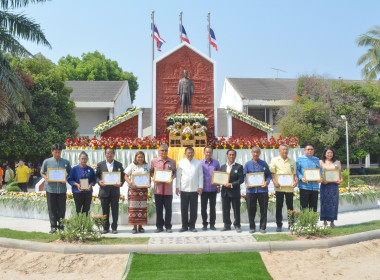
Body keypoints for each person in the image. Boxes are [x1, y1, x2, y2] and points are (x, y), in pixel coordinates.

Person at [40, 143, 71, 234]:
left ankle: (61, 226)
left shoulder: (65, 162)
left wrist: (66, 179)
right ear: (52, 152)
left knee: (62, 208)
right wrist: (45, 177)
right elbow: (42, 172)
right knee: (52, 208)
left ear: (61, 152)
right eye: (55, 152)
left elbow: (70, 173)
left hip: (61, 189)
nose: (57, 154)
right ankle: (53, 227)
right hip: (50, 189)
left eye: (59, 152)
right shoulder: (47, 161)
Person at [95, 147, 125, 234]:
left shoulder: (119, 164)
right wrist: (99, 181)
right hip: (104, 191)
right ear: (105, 154)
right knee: (105, 210)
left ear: (114, 154)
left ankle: (114, 227)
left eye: (111, 153)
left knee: (115, 210)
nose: (109, 155)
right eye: (107, 153)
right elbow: (96, 176)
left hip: (115, 191)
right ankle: (105, 227)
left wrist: (120, 183)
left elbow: (123, 176)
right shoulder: (100, 165)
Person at [270, 144, 298, 232]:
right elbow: (272, 173)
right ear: (279, 151)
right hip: (279, 188)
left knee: (290, 206)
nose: (285, 151)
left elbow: (294, 174)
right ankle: (279, 225)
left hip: (289, 188)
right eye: (283, 149)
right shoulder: (274, 160)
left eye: (286, 149)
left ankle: (291, 224)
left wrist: (296, 181)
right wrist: (274, 182)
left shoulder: (292, 161)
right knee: (279, 206)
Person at [244, 147, 271, 234]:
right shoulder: (247, 164)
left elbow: (268, 175)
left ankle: (263, 227)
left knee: (263, 209)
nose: (256, 154)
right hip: (251, 191)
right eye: (254, 152)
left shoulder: (264, 164)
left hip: (262, 190)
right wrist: (246, 183)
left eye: (257, 152)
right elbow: (245, 175)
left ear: (260, 153)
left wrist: (266, 182)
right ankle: (252, 227)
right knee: (251, 209)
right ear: (251, 153)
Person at [150, 144, 177, 233]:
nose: (164, 152)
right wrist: (153, 177)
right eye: (162, 150)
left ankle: (168, 226)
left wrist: (171, 178)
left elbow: (175, 173)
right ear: (159, 151)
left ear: (168, 151)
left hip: (168, 190)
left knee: (168, 209)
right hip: (158, 190)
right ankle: (159, 226)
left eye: (165, 150)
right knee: (159, 209)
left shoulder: (172, 162)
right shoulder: (154, 161)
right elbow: (151, 172)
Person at [176, 147, 203, 232]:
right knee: (184, 209)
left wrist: (200, 187)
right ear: (185, 153)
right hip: (184, 189)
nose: (190, 154)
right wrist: (177, 187)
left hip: (194, 189)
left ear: (194, 153)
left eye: (191, 152)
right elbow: (178, 176)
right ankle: (184, 226)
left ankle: (192, 226)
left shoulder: (198, 163)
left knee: (193, 209)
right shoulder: (180, 163)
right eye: (188, 153)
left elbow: (200, 176)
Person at [124, 151, 150, 234]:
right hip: (134, 191)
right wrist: (130, 183)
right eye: (138, 157)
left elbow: (148, 176)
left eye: (142, 157)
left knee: (142, 208)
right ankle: (134, 227)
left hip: (143, 191)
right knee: (134, 209)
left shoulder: (146, 166)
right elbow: (125, 176)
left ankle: (141, 226)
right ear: (135, 157)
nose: (140, 158)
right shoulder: (132, 165)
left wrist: (149, 183)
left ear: (144, 158)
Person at [220, 149, 244, 232]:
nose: (231, 156)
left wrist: (231, 184)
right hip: (224, 192)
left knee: (236, 209)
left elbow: (241, 180)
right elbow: (220, 178)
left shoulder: (239, 167)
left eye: (233, 155)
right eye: (230, 154)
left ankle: (237, 225)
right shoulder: (222, 167)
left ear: (235, 156)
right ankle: (227, 225)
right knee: (225, 209)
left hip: (234, 192)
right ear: (227, 156)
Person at [320, 147, 343, 228]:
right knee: (324, 203)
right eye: (328, 153)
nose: (330, 154)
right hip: (325, 185)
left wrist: (340, 180)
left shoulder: (337, 162)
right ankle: (324, 221)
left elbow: (340, 175)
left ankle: (332, 222)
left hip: (334, 186)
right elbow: (319, 174)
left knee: (333, 203)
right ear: (325, 153)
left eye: (331, 153)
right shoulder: (321, 162)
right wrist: (322, 180)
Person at [296, 143, 322, 212]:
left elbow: (320, 170)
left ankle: (312, 222)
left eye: (311, 149)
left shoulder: (316, 159)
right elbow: (297, 170)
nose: (310, 151)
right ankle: (304, 222)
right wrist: (301, 177)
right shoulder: (299, 159)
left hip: (315, 187)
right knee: (304, 206)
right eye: (308, 149)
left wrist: (320, 177)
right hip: (304, 186)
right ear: (304, 150)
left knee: (313, 206)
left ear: (313, 150)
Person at [200, 146, 221, 231]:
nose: (208, 153)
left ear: (212, 153)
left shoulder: (216, 163)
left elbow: (219, 175)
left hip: (213, 189)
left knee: (213, 208)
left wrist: (219, 186)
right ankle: (204, 224)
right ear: (204, 152)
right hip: (203, 190)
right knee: (203, 208)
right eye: (207, 152)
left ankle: (212, 224)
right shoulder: (200, 163)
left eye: (210, 152)